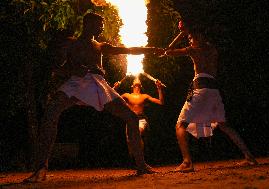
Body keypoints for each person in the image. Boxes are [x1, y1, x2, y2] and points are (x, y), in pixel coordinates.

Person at [24, 12, 164, 182]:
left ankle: (141, 165)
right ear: (88, 24)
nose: (102, 27)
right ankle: (41, 169)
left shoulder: (101, 46)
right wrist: (73, 71)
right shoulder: (71, 43)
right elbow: (55, 68)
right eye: (100, 24)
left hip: (99, 84)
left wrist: (151, 50)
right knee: (51, 113)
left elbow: (128, 50)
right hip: (76, 82)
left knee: (132, 118)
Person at [164, 20, 258, 172]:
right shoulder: (213, 49)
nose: (189, 40)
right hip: (214, 91)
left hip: (200, 90)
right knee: (223, 124)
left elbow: (167, 52)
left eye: (191, 38)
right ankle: (249, 157)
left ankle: (187, 162)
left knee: (180, 125)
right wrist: (189, 33)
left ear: (198, 37)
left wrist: (181, 34)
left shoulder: (192, 50)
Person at [113, 78, 164, 158]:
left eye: (138, 80)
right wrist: (115, 89)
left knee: (137, 134)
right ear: (132, 85)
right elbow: (112, 100)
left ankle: (141, 159)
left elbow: (161, 102)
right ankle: (134, 160)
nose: (137, 78)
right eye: (135, 79)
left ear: (141, 85)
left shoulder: (144, 96)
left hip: (141, 119)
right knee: (129, 140)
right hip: (130, 120)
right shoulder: (127, 95)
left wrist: (159, 88)